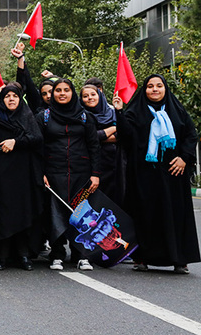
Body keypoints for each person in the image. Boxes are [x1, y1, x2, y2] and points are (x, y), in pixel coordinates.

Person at [112, 75, 200, 274]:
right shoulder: (136, 111)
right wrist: (119, 111)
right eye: (150, 86)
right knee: (145, 215)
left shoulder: (177, 110)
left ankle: (179, 260)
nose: (154, 90)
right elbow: (126, 136)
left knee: (176, 215)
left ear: (165, 89)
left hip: (173, 173)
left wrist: (184, 158)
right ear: (144, 90)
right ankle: (142, 258)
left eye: (159, 86)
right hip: (144, 175)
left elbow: (190, 135)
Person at [0, 64, 43, 270]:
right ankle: (1, 256)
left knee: (23, 214)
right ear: (2, 100)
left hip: (23, 175)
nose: (11, 99)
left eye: (15, 96)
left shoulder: (27, 115)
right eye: (7, 96)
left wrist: (16, 142)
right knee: (2, 214)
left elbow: (36, 138)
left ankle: (23, 255)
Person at [36, 78, 101, 272]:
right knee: (55, 214)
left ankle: (82, 255)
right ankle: (57, 254)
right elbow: (38, 148)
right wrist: (41, 173)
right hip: (54, 174)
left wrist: (96, 174)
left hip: (82, 174)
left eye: (66, 90)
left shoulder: (85, 117)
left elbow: (94, 147)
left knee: (81, 214)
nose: (62, 93)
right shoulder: (44, 117)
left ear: (73, 93)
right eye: (58, 90)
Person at [81, 83, 121, 204]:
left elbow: (122, 135)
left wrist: (98, 136)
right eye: (85, 96)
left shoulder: (112, 112)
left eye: (93, 94)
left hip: (114, 162)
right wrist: (114, 128)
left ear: (100, 96)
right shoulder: (80, 115)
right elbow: (88, 137)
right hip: (92, 164)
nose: (90, 98)